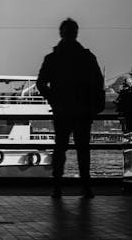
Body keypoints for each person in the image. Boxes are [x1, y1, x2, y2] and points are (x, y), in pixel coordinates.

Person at [37, 18, 105, 199]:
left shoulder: (52, 59)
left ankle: (57, 187)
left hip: (62, 110)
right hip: (83, 111)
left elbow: (41, 83)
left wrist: (53, 99)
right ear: (76, 33)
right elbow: (99, 83)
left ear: (61, 33)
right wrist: (93, 105)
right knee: (83, 149)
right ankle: (86, 186)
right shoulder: (87, 57)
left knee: (60, 148)